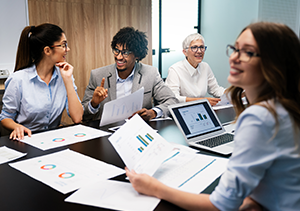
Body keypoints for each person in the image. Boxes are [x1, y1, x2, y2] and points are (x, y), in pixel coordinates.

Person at [126, 22, 300, 211]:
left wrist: (154, 187)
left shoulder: (260, 118)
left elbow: (220, 205)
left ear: (274, 63)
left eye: (247, 52)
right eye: (235, 49)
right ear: (185, 51)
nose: (233, 58)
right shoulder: (284, 106)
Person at [0, 23, 83, 140]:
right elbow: (5, 117)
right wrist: (16, 127)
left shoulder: (64, 75)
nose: (67, 49)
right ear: (47, 50)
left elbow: (77, 118)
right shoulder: (18, 80)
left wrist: (68, 80)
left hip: (54, 140)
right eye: (63, 45)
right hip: (27, 139)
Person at [82, 27, 178, 122]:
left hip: (138, 129)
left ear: (137, 55)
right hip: (107, 131)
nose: (119, 57)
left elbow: (172, 101)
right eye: (116, 50)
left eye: (125, 53)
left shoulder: (151, 74)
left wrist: (153, 112)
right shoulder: (97, 75)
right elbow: (83, 115)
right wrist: (93, 104)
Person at [165, 33, 225, 106]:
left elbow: (216, 90)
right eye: (194, 47)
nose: (199, 51)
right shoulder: (175, 69)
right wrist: (202, 101)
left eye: (202, 47)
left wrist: (235, 93)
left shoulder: (205, 66)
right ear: (185, 52)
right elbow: (173, 98)